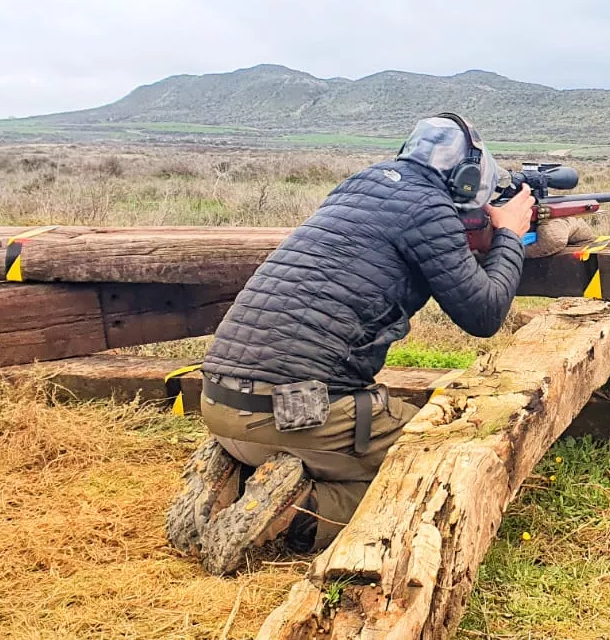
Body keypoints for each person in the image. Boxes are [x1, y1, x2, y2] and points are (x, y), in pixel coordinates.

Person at [165, 113, 553, 575]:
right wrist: (509, 234)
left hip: (219, 403)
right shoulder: (430, 209)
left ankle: (233, 472)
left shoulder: (358, 187)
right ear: (469, 177)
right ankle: (301, 510)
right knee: (437, 457)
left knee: (348, 431)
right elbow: (484, 314)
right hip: (293, 412)